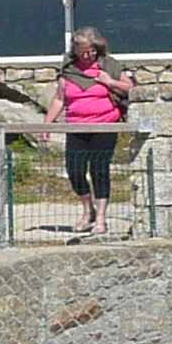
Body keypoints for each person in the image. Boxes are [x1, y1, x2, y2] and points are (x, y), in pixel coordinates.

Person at [50, 30, 135, 237]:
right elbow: (59, 98)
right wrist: (47, 123)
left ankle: (101, 219)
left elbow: (130, 89)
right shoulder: (68, 70)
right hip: (76, 127)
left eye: (90, 52)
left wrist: (109, 82)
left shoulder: (109, 66)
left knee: (99, 169)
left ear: (97, 49)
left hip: (105, 126)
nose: (87, 56)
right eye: (82, 52)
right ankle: (88, 210)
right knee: (74, 170)